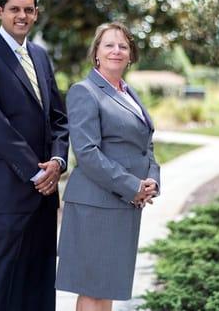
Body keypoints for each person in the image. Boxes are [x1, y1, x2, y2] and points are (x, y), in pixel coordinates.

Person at [0, 0, 69, 311]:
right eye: (14, 9)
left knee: (40, 278)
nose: (21, 15)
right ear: (0, 12)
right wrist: (34, 173)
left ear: (35, 14)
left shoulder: (40, 55)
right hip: (9, 188)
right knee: (4, 276)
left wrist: (57, 161)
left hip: (46, 189)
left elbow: (58, 118)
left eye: (28, 10)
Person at [56, 22, 160, 311]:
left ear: (130, 56)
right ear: (97, 53)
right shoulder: (84, 91)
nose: (117, 50)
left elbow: (145, 144)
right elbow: (87, 153)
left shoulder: (129, 93)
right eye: (109, 45)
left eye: (123, 46)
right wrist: (133, 186)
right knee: (92, 290)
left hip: (125, 206)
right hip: (95, 206)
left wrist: (152, 180)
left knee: (108, 288)